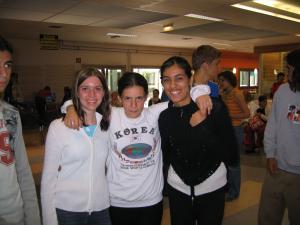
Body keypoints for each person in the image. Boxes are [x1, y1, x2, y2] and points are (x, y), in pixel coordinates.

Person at [61, 72, 212, 225]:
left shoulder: (155, 113)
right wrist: (70, 107)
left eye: (139, 98)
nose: (133, 105)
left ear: (146, 97)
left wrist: (200, 93)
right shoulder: (110, 115)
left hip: (151, 202)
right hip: (117, 202)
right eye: (127, 98)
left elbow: (181, 97)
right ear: (119, 98)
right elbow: (87, 102)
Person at [158, 56, 238, 225]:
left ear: (190, 79)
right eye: (167, 80)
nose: (172, 86)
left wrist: (203, 128)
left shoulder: (213, 108)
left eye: (179, 78)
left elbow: (231, 156)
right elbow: (167, 155)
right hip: (177, 189)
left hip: (212, 188)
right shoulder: (164, 116)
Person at [41, 67, 111, 225]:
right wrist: (49, 221)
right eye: (85, 88)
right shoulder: (58, 127)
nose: (92, 95)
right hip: (67, 210)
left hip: (101, 209)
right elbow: (48, 179)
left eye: (97, 89)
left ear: (104, 93)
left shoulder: (108, 124)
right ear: (77, 92)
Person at [0, 36, 41, 225]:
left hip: (15, 216)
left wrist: (32, 218)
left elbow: (23, 172)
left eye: (7, 65)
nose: (3, 73)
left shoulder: (11, 115)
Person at [258, 49, 300, 225]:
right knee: (267, 217)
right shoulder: (282, 91)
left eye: (289, 68)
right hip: (277, 168)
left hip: (298, 176)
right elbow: (273, 124)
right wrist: (270, 154)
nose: (286, 72)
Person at [218, 71, 250, 201]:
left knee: (234, 163)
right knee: (225, 162)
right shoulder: (224, 94)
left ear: (230, 81)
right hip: (225, 129)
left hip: (235, 129)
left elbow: (246, 113)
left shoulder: (237, 94)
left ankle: (234, 191)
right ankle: (228, 187)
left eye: (222, 80)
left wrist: (229, 116)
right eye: (219, 80)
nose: (220, 83)